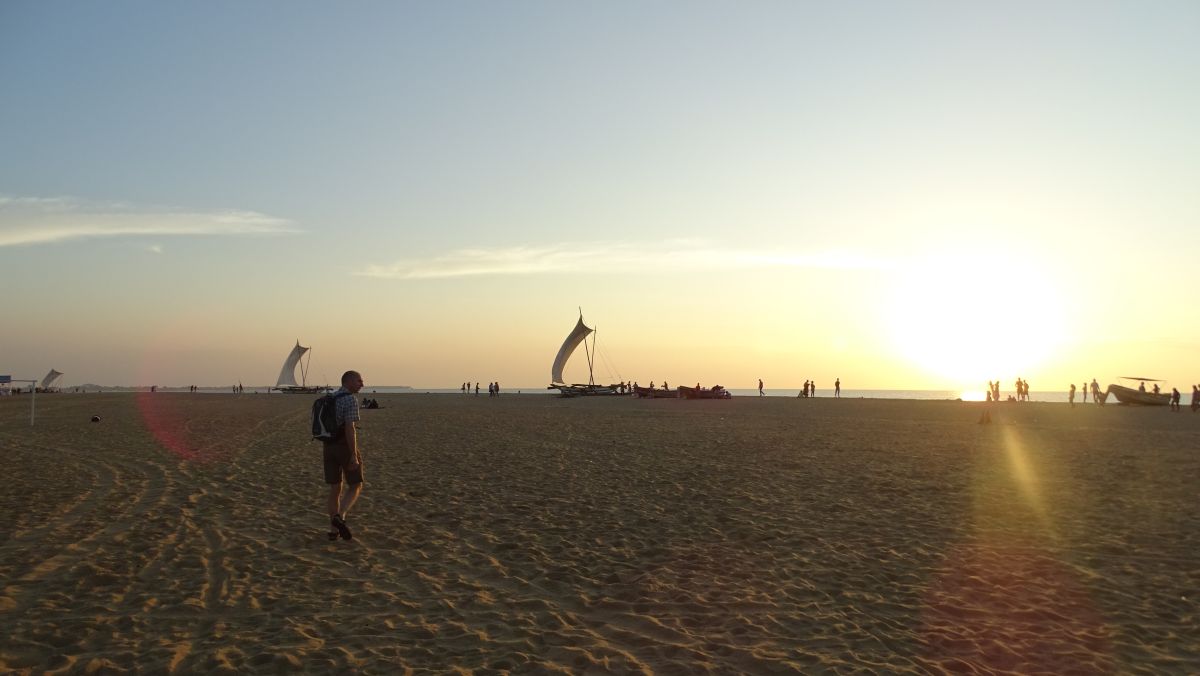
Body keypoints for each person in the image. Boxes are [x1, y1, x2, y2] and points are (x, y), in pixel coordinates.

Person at [324, 370, 365, 541]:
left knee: (335, 488)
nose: (362, 384)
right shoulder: (349, 399)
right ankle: (339, 517)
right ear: (348, 382)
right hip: (344, 446)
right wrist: (353, 454)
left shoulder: (330, 398)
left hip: (328, 447)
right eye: (359, 381)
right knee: (356, 484)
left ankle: (333, 531)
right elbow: (350, 428)